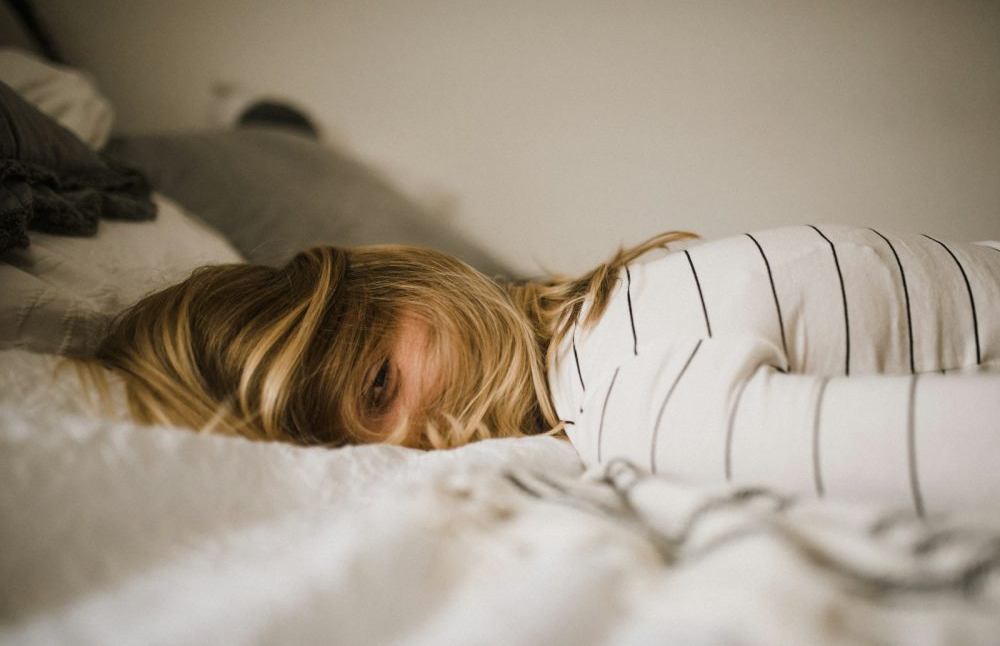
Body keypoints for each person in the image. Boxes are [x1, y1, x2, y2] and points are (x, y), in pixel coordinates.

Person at [91, 226, 1000, 511]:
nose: (415, 445)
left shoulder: (633, 397)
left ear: (405, 280)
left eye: (378, 386)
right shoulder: (612, 313)